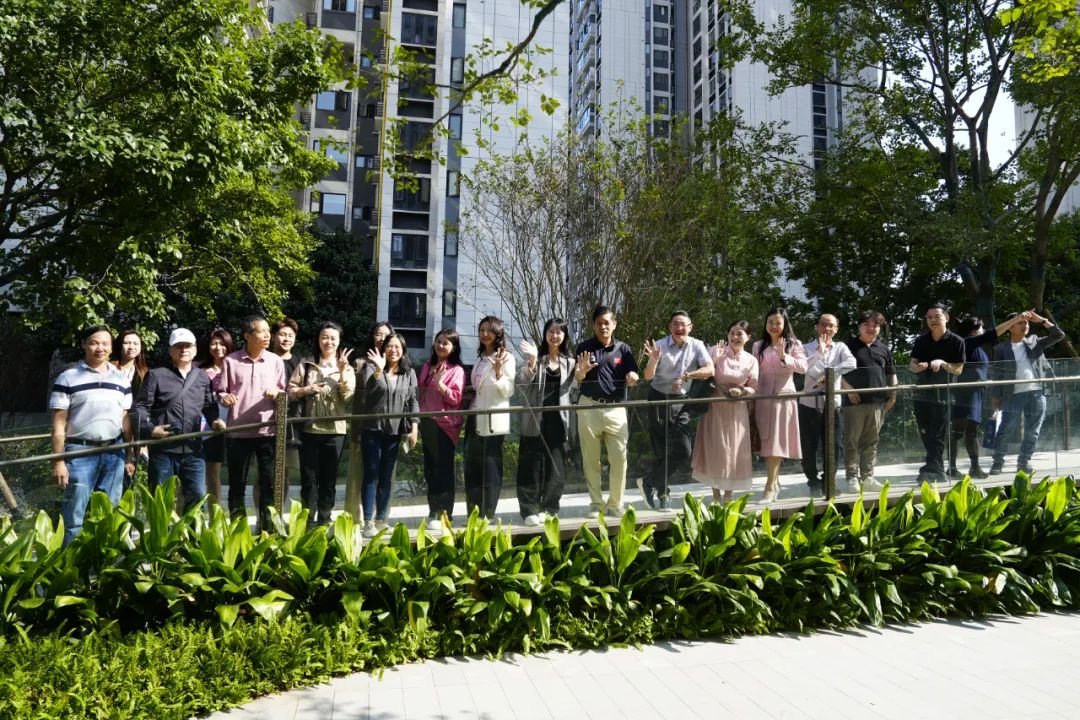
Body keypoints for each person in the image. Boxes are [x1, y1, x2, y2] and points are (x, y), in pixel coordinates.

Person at [50, 325, 135, 545]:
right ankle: (72, 569)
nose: (100, 348)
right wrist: (59, 461)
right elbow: (59, 424)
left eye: (105, 343)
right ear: (84, 344)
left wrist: (129, 455)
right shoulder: (67, 378)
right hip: (79, 452)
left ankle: (104, 567)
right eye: (94, 342)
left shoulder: (121, 379)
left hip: (114, 452)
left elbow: (125, 421)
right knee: (74, 515)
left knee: (109, 513)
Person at [135, 328, 225, 511]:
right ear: (171, 351)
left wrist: (215, 420)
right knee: (161, 500)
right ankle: (161, 538)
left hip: (193, 449)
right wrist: (150, 430)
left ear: (195, 349)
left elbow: (209, 405)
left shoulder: (201, 376)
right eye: (179, 346)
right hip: (163, 448)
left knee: (197, 496)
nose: (184, 350)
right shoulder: (156, 375)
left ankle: (191, 538)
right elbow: (140, 407)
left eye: (188, 346)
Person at [638, 311, 714, 511]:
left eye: (683, 324)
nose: (679, 328)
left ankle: (649, 481)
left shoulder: (697, 345)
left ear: (690, 327)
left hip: (682, 400)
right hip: (658, 398)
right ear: (669, 326)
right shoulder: (660, 346)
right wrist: (653, 361)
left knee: (683, 450)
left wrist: (687, 375)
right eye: (675, 324)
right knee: (661, 449)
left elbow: (710, 370)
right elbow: (647, 377)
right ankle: (663, 495)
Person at [218, 315, 286, 531]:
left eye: (268, 331)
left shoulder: (275, 361)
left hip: (268, 431)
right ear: (248, 336)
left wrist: (278, 393)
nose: (267, 335)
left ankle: (267, 530)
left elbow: (285, 391)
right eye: (261, 331)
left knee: (268, 485)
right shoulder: (231, 361)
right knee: (237, 486)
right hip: (238, 432)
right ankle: (237, 532)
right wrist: (225, 398)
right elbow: (221, 391)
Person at [575, 305, 640, 518]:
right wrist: (581, 372)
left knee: (620, 458)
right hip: (589, 407)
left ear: (614, 324)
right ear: (594, 325)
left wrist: (633, 376)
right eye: (599, 323)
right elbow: (577, 377)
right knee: (591, 459)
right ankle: (596, 504)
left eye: (607, 322)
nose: (603, 326)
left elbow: (633, 373)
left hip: (616, 410)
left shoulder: (624, 349)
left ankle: (615, 504)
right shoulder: (584, 348)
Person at [288, 322, 355, 527]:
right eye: (324, 337)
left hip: (335, 430)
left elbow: (347, 396)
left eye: (333, 338)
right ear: (318, 340)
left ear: (339, 341)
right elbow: (291, 391)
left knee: (329, 479)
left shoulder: (347, 367)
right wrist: (307, 389)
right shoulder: (306, 364)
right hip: (309, 429)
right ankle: (307, 521)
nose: (329, 341)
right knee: (308, 478)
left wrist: (342, 372)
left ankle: (325, 520)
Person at [949, 313, 1029, 479]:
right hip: (966, 393)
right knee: (960, 430)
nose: (984, 330)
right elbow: (992, 334)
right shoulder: (967, 342)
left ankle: (971, 467)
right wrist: (1015, 319)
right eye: (981, 328)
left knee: (970, 430)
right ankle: (957, 467)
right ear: (973, 331)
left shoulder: (974, 347)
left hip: (975, 392)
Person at [989, 310, 1066, 476]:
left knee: (1033, 431)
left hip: (1037, 393)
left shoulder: (1034, 341)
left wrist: (1042, 320)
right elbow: (996, 373)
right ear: (1010, 327)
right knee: (1005, 429)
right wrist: (996, 396)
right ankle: (998, 462)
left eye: (1026, 323)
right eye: (1020, 323)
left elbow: (1059, 335)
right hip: (1012, 394)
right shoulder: (1001, 348)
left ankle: (1024, 462)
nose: (1025, 326)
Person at [516, 318, 577, 525]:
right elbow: (522, 383)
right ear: (545, 334)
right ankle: (529, 510)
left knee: (556, 467)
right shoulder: (536, 358)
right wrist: (532, 361)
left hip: (559, 421)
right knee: (530, 466)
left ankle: (550, 507)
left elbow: (575, 387)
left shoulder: (570, 362)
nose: (555, 335)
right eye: (551, 331)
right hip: (535, 419)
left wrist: (583, 373)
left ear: (565, 336)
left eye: (559, 332)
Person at [691, 321, 759, 503]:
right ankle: (715, 496)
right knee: (716, 449)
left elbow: (754, 386)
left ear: (748, 337)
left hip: (737, 410)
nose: (735, 337)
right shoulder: (716, 350)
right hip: (715, 407)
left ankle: (728, 495)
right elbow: (704, 374)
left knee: (734, 451)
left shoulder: (751, 360)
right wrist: (714, 360)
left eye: (740, 334)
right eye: (732, 333)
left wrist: (742, 391)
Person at [358, 332, 418, 537]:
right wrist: (378, 370)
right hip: (373, 429)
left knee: (386, 477)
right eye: (390, 346)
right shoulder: (372, 366)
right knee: (371, 475)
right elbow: (368, 393)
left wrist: (414, 428)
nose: (393, 350)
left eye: (397, 347)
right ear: (383, 348)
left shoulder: (409, 373)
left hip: (394, 431)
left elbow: (413, 402)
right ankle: (367, 521)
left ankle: (381, 519)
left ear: (403, 351)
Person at [752, 307, 808, 503]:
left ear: (785, 324)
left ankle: (769, 487)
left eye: (778, 323)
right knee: (767, 442)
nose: (774, 326)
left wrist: (785, 356)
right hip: (762, 398)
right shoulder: (758, 345)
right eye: (770, 322)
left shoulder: (794, 344)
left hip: (783, 397)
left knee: (776, 442)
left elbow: (803, 367)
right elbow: (754, 372)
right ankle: (774, 483)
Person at [798, 313, 855, 496]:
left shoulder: (840, 347)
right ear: (817, 327)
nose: (827, 329)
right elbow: (805, 369)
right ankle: (812, 481)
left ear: (836, 329)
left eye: (831, 325)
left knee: (834, 446)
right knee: (809, 446)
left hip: (833, 403)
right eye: (823, 325)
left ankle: (827, 481)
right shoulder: (805, 348)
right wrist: (820, 353)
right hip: (809, 403)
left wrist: (830, 374)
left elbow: (851, 363)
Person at [465, 316, 515, 520]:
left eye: (489, 330)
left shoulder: (507, 358)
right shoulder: (478, 360)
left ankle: (488, 512)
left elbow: (508, 391)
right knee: (472, 466)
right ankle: (473, 512)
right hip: (475, 416)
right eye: (482, 330)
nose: (485, 334)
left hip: (494, 419)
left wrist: (498, 373)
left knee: (491, 467)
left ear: (498, 334)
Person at [910, 303, 966, 484]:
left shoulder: (957, 341)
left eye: (937, 316)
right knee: (926, 433)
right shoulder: (921, 340)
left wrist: (942, 363)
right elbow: (912, 365)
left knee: (937, 433)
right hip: (922, 394)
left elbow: (958, 370)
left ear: (946, 318)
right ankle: (935, 470)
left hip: (944, 394)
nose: (933, 320)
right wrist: (918, 367)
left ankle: (931, 469)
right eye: (929, 317)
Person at [841, 311, 897, 491]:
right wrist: (848, 389)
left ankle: (868, 477)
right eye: (867, 324)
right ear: (859, 326)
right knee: (852, 441)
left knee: (871, 441)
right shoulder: (847, 346)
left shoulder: (884, 349)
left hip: (877, 402)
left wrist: (893, 395)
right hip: (853, 403)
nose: (871, 328)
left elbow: (891, 374)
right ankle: (852, 477)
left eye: (875, 325)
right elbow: (834, 371)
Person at [417, 329, 466, 532]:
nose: (441, 345)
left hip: (445, 424)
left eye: (446, 343)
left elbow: (455, 398)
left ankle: (444, 512)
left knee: (444, 470)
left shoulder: (457, 370)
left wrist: (440, 385)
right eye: (439, 341)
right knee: (430, 469)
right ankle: (433, 509)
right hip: (427, 421)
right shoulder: (428, 366)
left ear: (453, 347)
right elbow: (419, 392)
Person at [345, 321, 393, 523]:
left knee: (385, 476)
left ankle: (381, 518)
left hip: (390, 429)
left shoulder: (397, 363)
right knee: (359, 474)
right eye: (377, 334)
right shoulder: (361, 363)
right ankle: (353, 519)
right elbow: (354, 394)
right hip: (364, 425)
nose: (381, 338)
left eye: (386, 335)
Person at [199, 327, 234, 507]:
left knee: (220, 472)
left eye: (222, 343)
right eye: (214, 343)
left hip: (233, 422)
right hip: (206, 424)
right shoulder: (200, 370)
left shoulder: (236, 366)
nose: (218, 347)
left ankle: (216, 518)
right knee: (209, 472)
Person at [112, 329, 149, 488]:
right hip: (113, 429)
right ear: (119, 345)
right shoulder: (110, 369)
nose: (131, 346)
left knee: (131, 478)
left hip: (135, 430)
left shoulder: (144, 373)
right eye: (127, 342)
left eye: (136, 343)